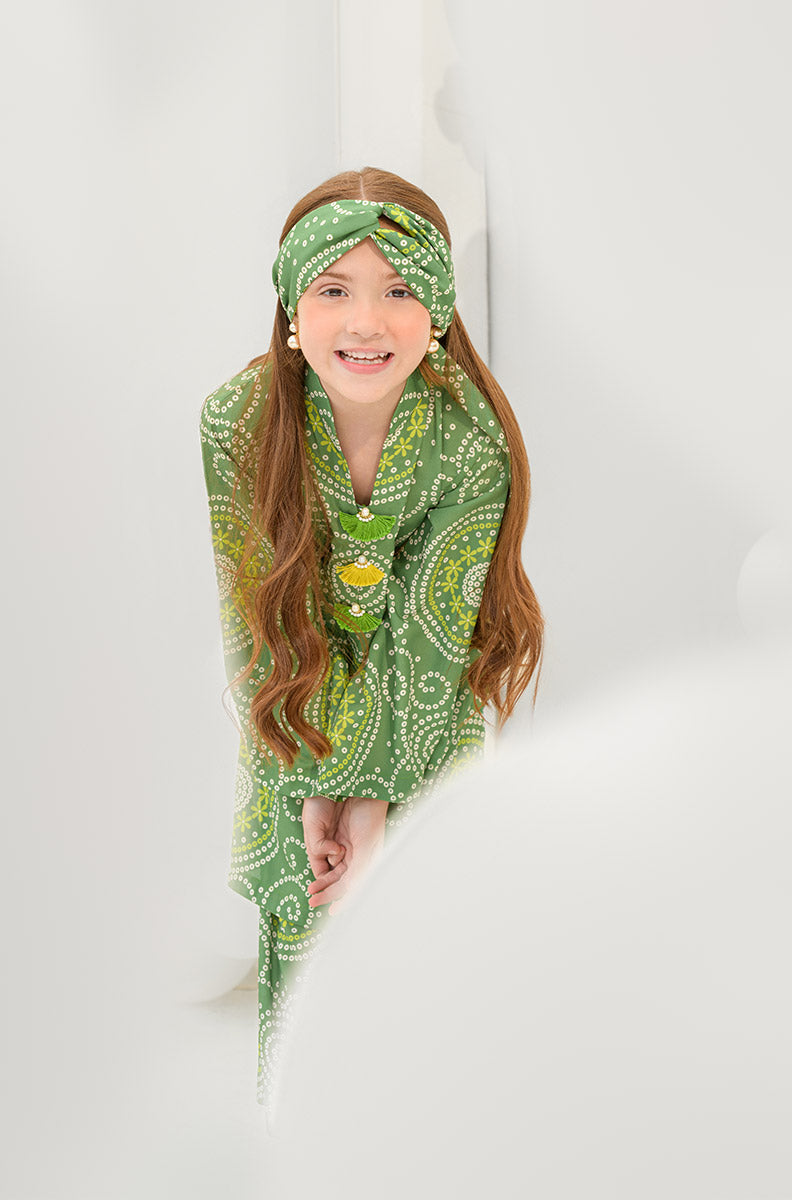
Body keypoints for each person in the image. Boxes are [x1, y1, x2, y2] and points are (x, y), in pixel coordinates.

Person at [199, 166, 545, 1118]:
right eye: (334, 290)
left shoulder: (470, 439)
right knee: (307, 963)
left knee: (422, 956)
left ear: (437, 310)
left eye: (398, 290)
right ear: (291, 309)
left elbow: (429, 646)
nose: (366, 321)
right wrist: (319, 788)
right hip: (291, 720)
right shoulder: (237, 423)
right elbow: (263, 624)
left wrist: (374, 803)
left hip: (422, 732)